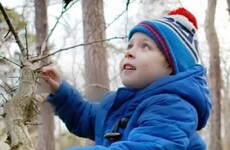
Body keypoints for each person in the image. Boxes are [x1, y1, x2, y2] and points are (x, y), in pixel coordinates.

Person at [40, 7, 211, 150]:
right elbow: (86, 116)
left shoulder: (174, 107)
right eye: (130, 45)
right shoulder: (118, 103)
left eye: (145, 46)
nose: (129, 52)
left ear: (171, 65)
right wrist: (61, 91)